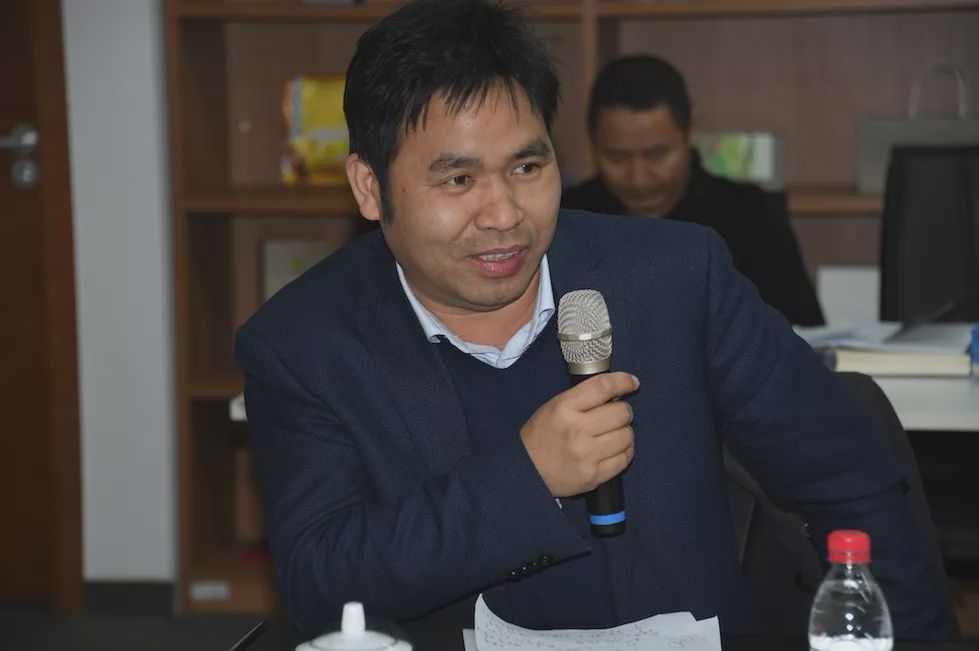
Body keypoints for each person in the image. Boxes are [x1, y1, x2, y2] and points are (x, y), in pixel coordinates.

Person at [235, 0, 954, 640]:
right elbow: (321, 579)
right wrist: (527, 477)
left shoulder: (676, 277)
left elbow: (848, 476)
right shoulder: (304, 344)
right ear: (369, 187)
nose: (503, 214)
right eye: (457, 179)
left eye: (527, 168)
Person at [562, 55, 825, 326]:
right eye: (617, 158)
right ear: (593, 143)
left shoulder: (752, 216)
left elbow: (801, 333)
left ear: (690, 131)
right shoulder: (567, 218)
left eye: (656, 155)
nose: (638, 179)